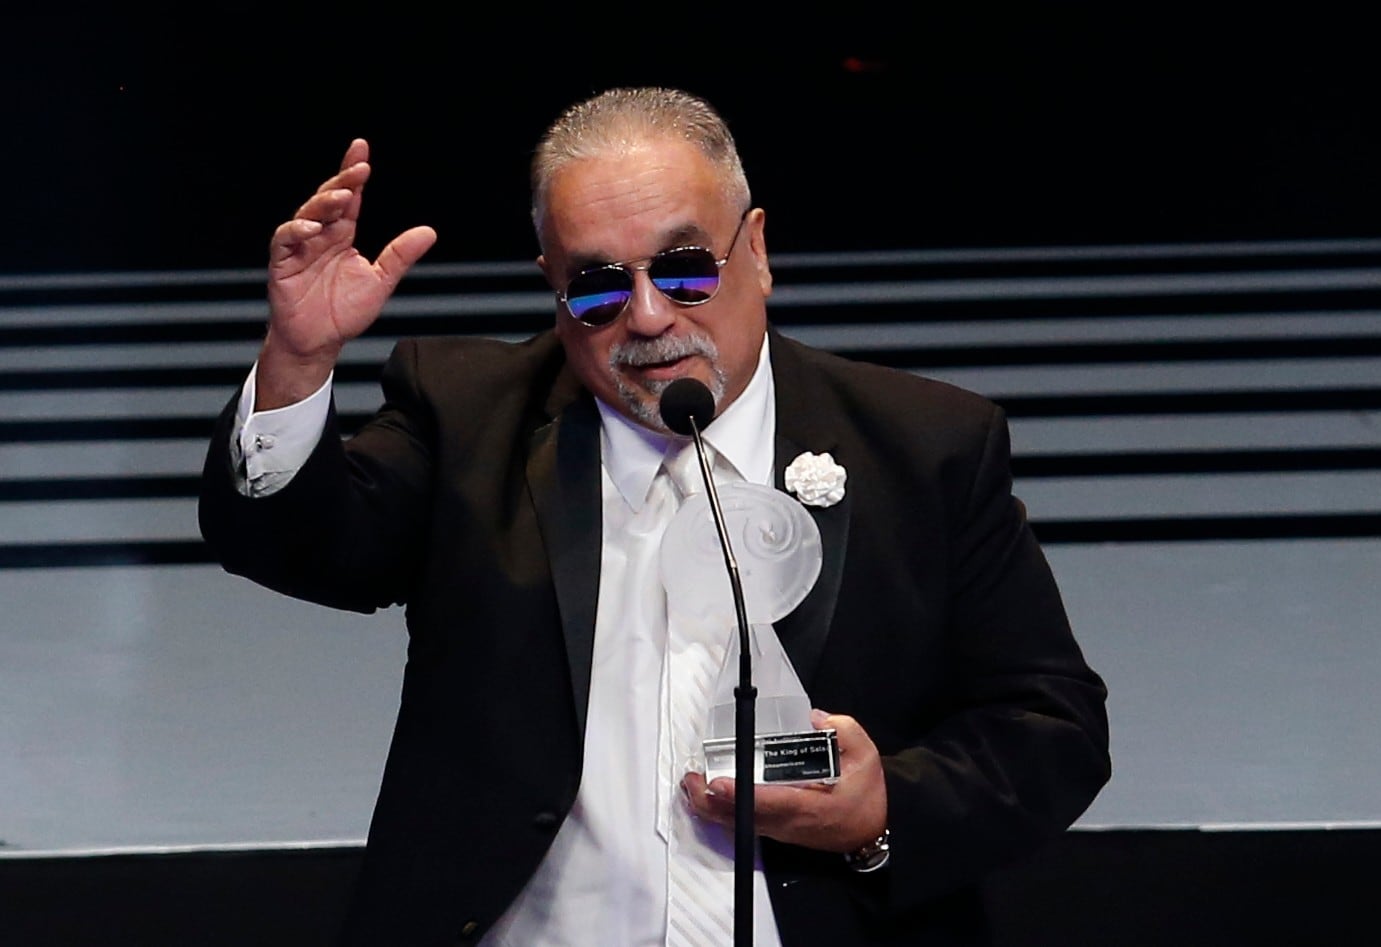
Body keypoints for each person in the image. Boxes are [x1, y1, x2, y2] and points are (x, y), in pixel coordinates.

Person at [199, 87, 1110, 947]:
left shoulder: (924, 445)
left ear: (755, 249)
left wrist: (881, 815)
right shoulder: (470, 413)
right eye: (595, 284)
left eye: (682, 268)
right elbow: (296, 543)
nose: (643, 315)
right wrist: (297, 361)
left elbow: (1049, 726)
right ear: (551, 287)